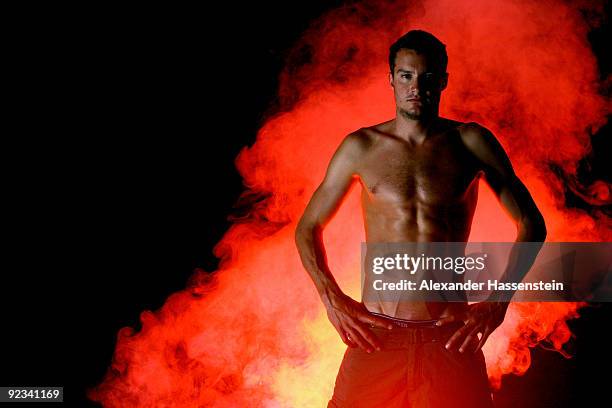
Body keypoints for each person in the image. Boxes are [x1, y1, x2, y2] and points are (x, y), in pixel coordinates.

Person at [294, 30, 547, 407]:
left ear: (443, 80)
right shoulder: (360, 147)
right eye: (406, 76)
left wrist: (498, 301)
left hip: (449, 336)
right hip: (377, 337)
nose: (417, 87)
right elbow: (307, 227)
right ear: (391, 79)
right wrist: (332, 299)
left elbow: (532, 223)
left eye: (428, 78)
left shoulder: (469, 142)